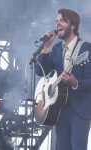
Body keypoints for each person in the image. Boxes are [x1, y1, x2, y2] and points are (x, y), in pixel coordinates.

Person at [36, 8, 91, 150]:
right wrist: (46, 47)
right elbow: (39, 71)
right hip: (59, 109)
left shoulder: (86, 49)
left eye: (62, 20)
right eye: (56, 21)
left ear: (72, 26)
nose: (57, 24)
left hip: (79, 109)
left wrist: (75, 82)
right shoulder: (55, 49)